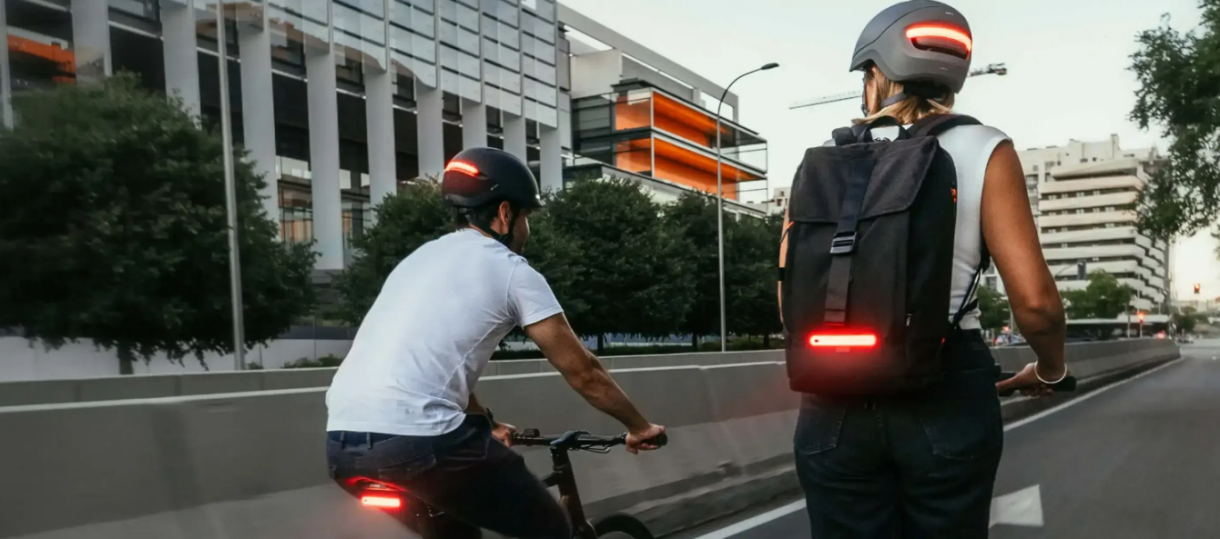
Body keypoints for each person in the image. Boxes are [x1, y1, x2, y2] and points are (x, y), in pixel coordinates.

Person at [780, 1, 1068, 536]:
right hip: (946, 384)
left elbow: (789, 299)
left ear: (874, 76)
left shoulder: (822, 162)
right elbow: (1034, 303)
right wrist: (1051, 368)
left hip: (833, 392)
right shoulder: (985, 147)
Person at [325, 147, 666, 539]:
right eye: (526, 217)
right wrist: (639, 427)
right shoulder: (512, 272)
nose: (527, 230)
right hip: (421, 441)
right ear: (505, 213)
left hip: (343, 444)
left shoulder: (417, 261)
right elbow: (584, 372)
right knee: (550, 528)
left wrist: (486, 424)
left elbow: (435, 363)